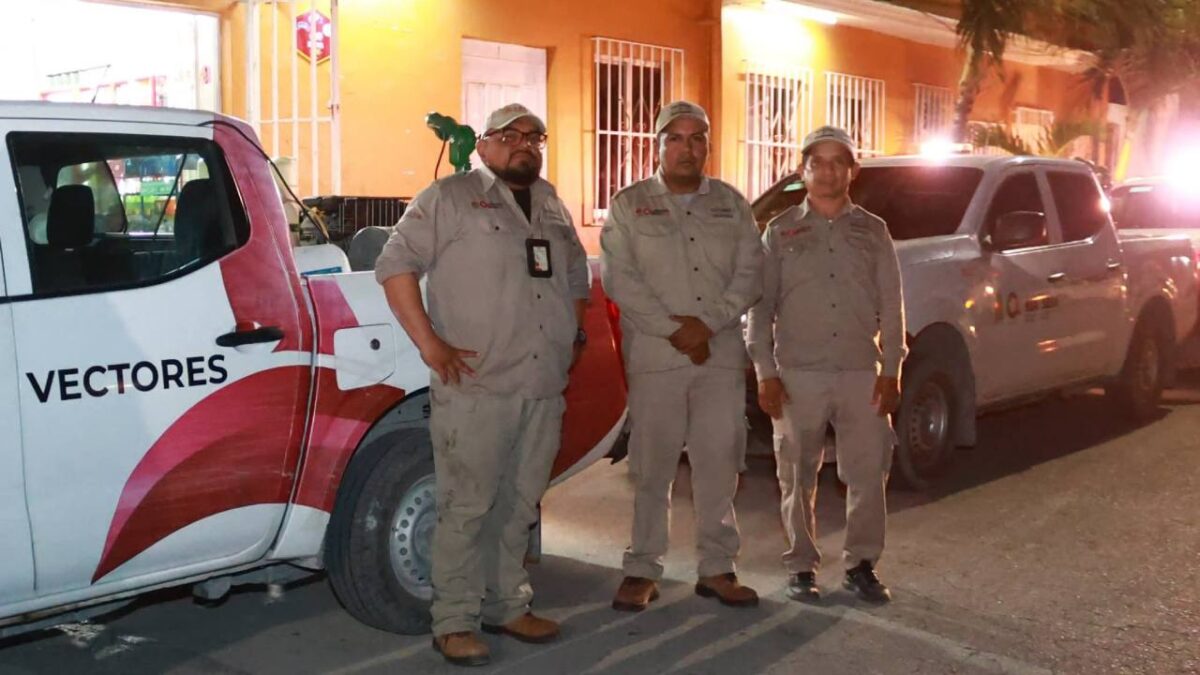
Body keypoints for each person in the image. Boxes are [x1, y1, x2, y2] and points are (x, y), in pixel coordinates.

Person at [375, 103, 589, 666]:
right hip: (478, 385)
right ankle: (454, 620)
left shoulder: (551, 203)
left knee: (520, 504)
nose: (524, 144)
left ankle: (507, 605)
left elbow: (575, 276)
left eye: (534, 136)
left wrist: (573, 334)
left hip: (541, 383)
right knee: (466, 506)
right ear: (484, 144)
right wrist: (429, 344)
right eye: (510, 135)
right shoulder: (448, 198)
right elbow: (395, 265)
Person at [600, 100, 763, 612]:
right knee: (653, 467)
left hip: (719, 356)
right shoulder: (629, 206)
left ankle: (717, 568)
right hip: (657, 356)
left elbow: (751, 274)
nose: (686, 149)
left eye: (696, 139)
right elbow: (620, 280)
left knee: (719, 463)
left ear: (708, 146)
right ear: (657, 146)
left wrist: (708, 324)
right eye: (675, 138)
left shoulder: (732, 205)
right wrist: (678, 331)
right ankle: (642, 568)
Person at [746, 125, 906, 604]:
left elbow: (892, 304)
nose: (828, 171)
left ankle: (861, 564)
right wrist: (765, 372)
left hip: (860, 372)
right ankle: (801, 565)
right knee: (796, 474)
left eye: (839, 162)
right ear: (804, 170)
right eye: (818, 162)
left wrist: (892, 370)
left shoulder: (873, 231)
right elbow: (760, 308)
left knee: (868, 471)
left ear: (852, 171)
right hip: (798, 373)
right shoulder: (779, 231)